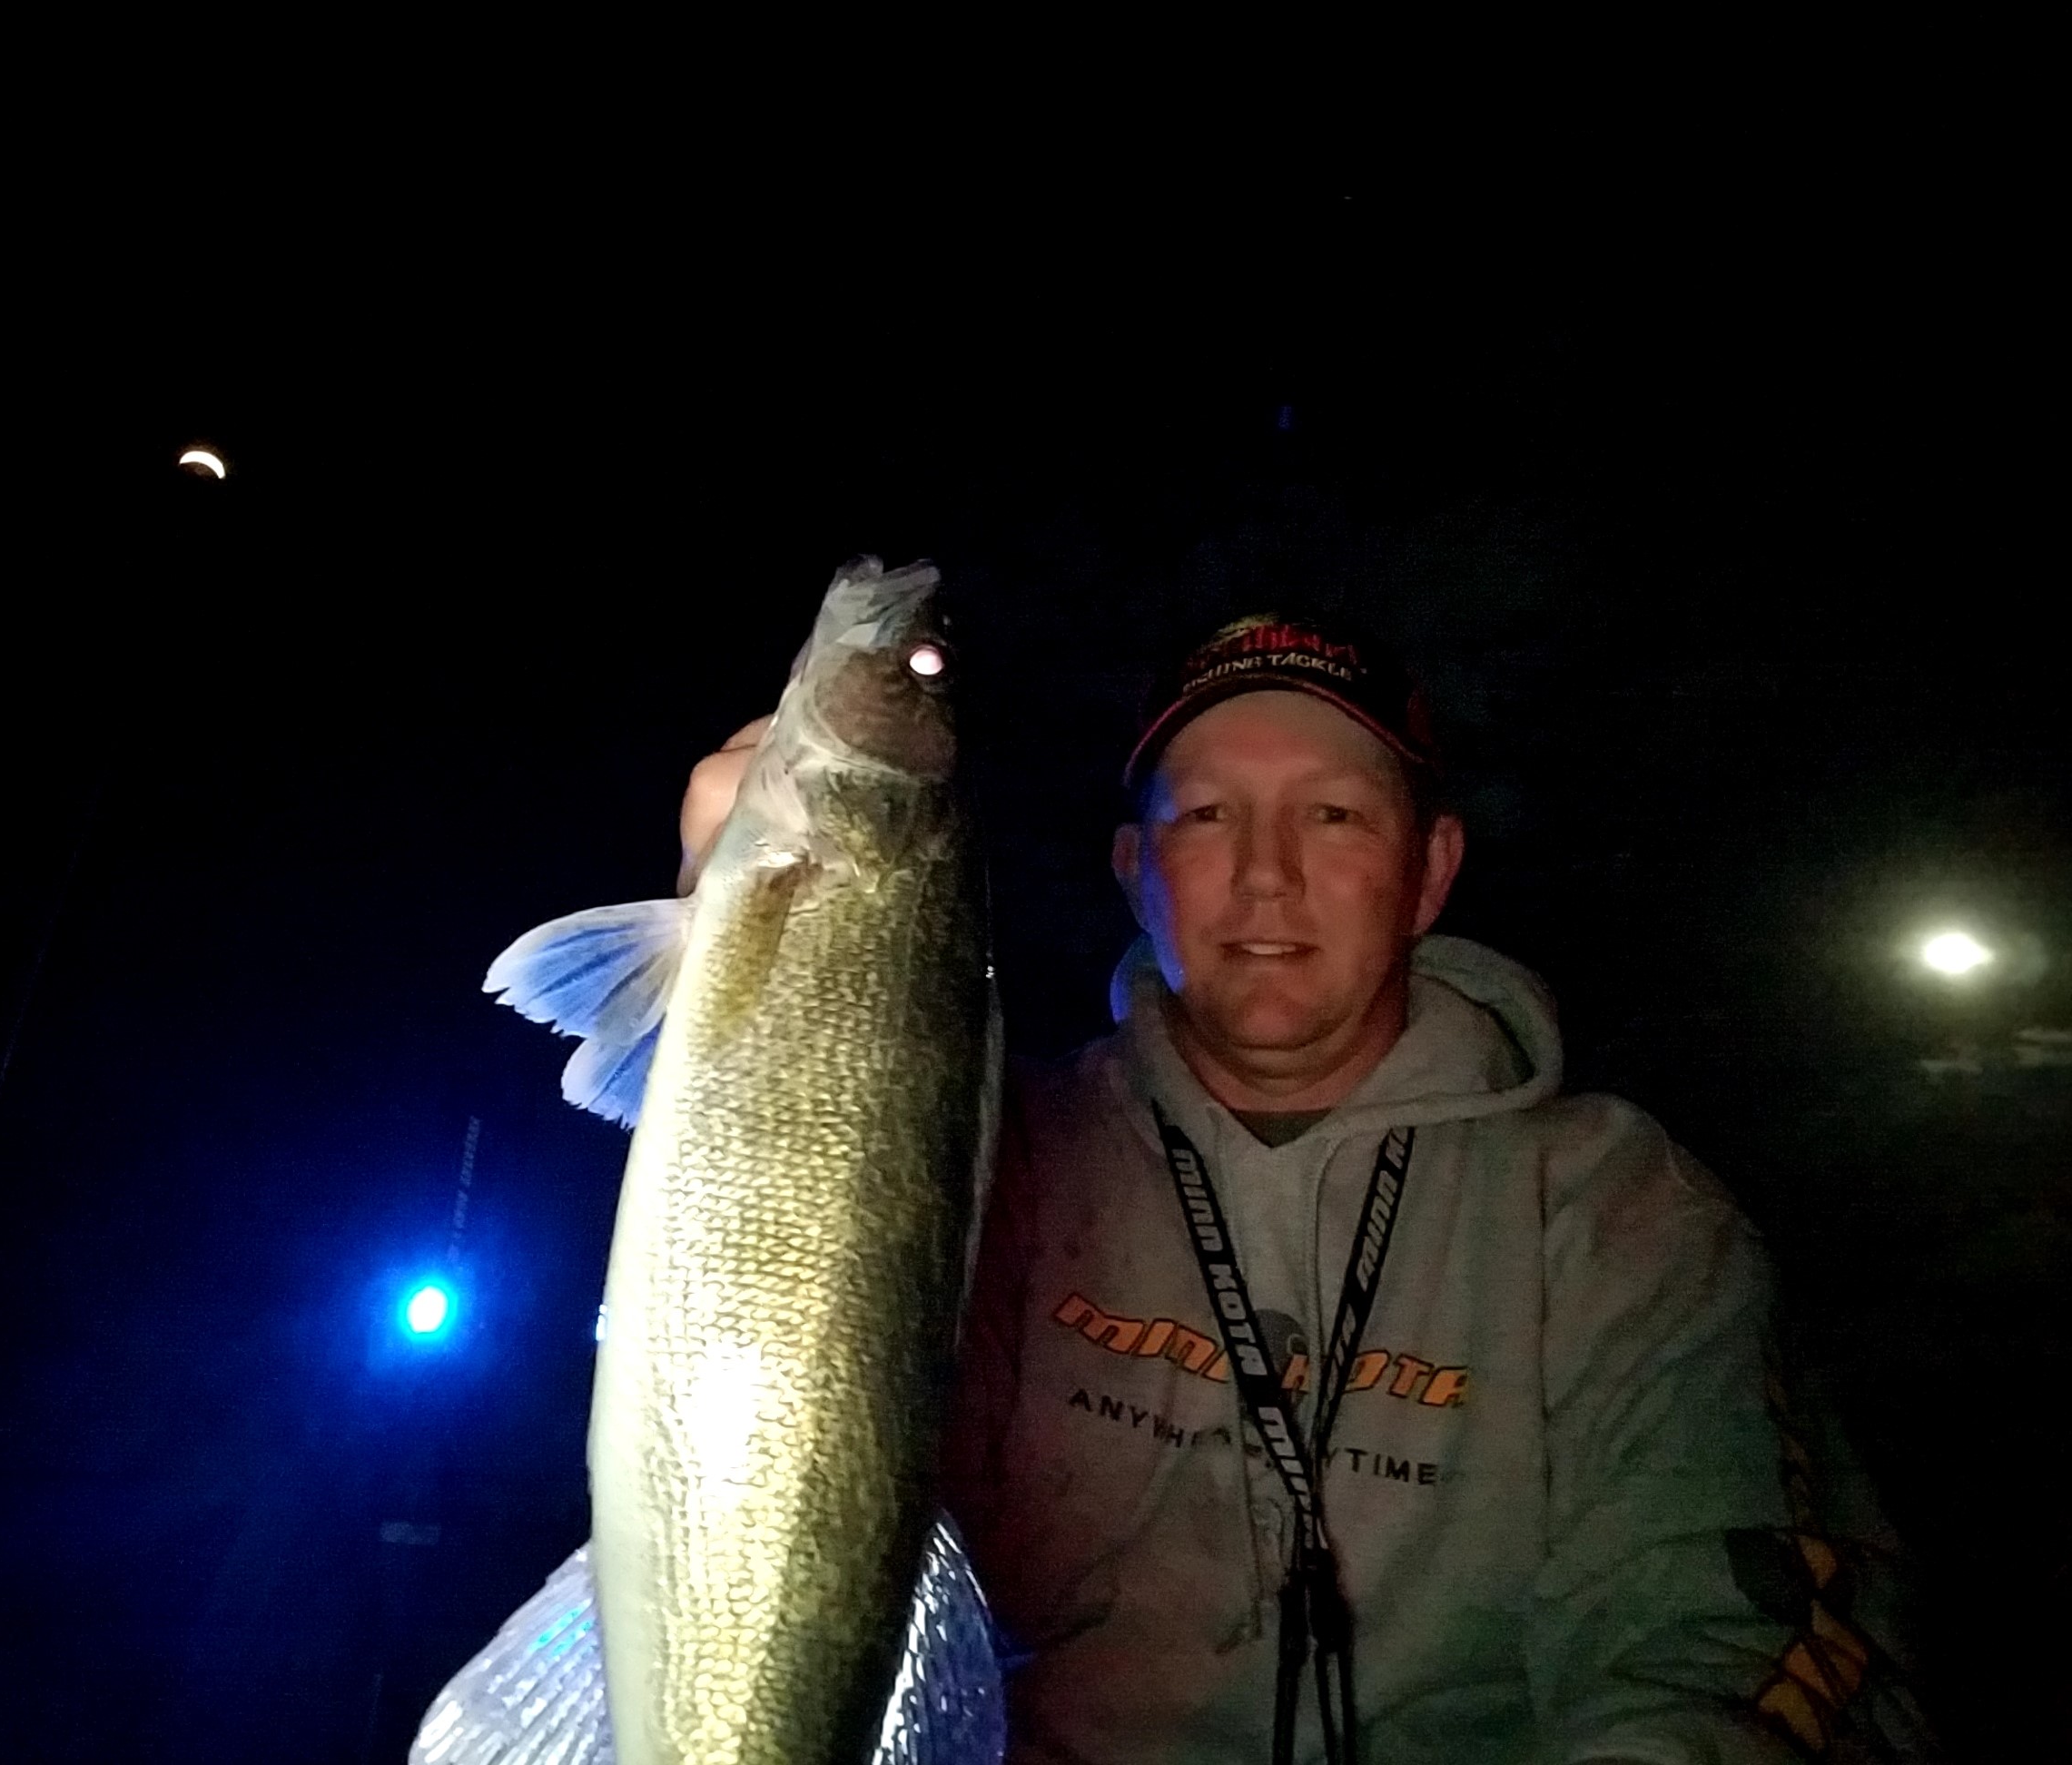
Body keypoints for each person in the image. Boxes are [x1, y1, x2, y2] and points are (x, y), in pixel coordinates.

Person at [678, 612, 1935, 1765]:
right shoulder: (996, 1156)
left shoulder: (1623, 1212)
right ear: (1134, 868)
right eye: (1206, 817)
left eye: (1333, 815)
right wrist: (751, 971)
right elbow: (799, 1481)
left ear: (1430, 873)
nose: (1266, 874)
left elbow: (1727, 1625)